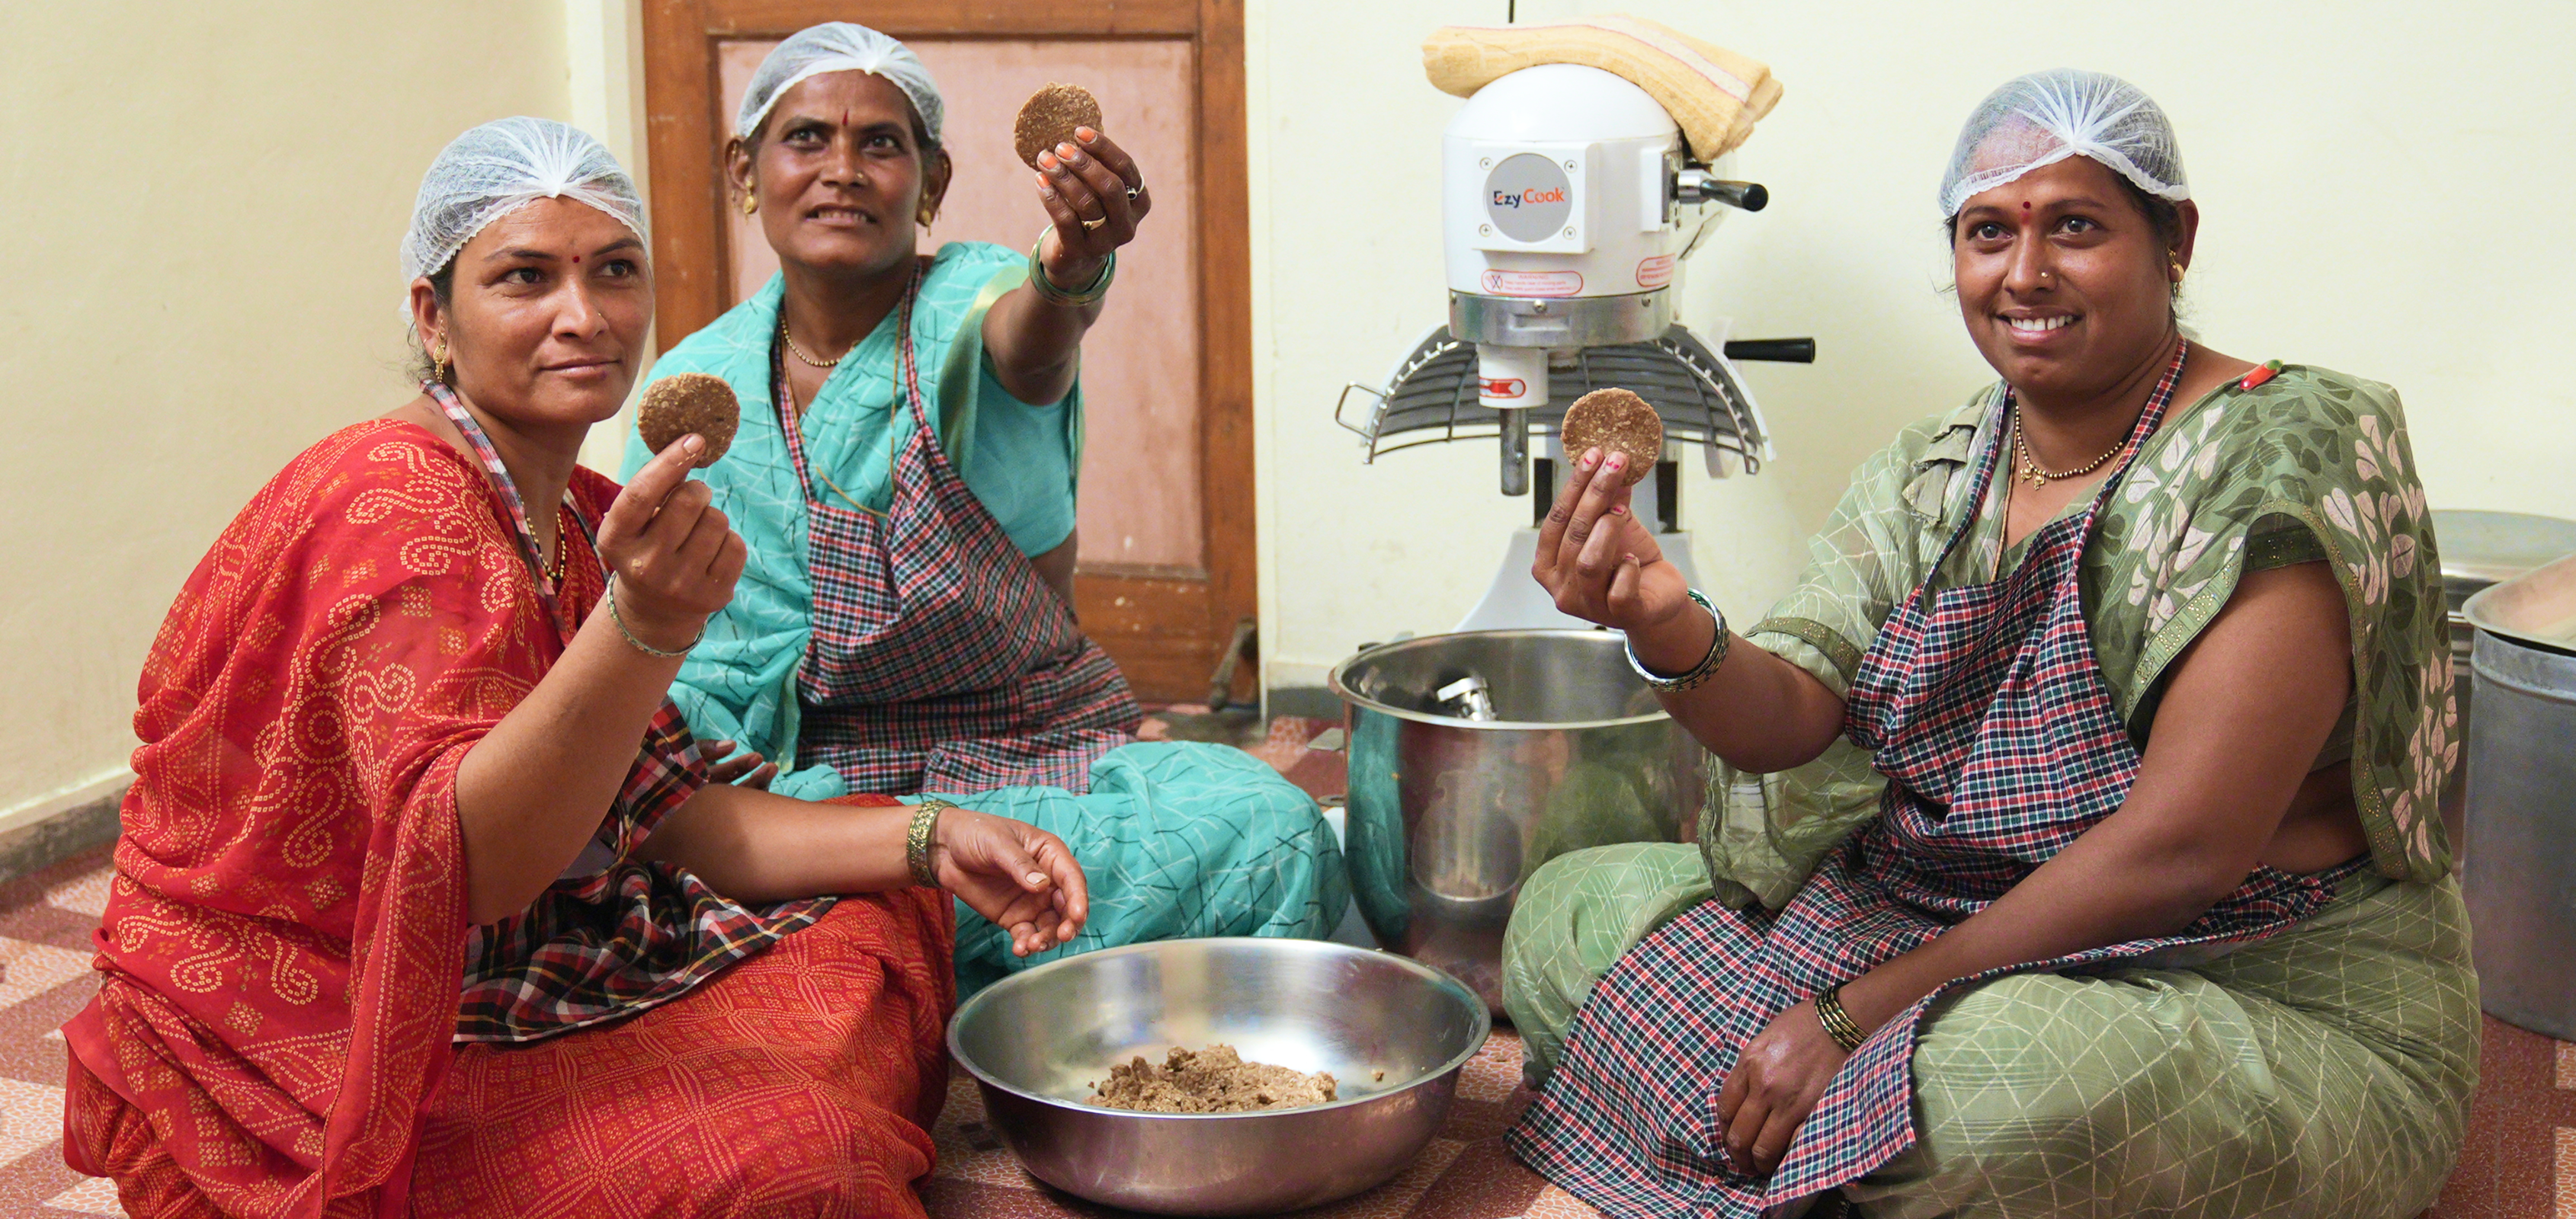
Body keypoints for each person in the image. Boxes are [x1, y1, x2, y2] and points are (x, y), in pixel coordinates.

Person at [61, 118, 1091, 1218]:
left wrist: (937, 837)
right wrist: (644, 627)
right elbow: (475, 872)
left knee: (875, 911)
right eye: (525, 277)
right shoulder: (399, 510)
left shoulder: (574, 513)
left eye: (614, 271)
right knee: (802, 1168)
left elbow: (669, 811)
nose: (584, 316)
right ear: (433, 316)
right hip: (313, 1022)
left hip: (518, 939)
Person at [1501, 70, 2475, 1218]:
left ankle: (1832, 1140)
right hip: (1947, 926)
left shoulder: (2276, 453)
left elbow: (2185, 851)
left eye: (2076, 227)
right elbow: (1791, 714)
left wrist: (1852, 1016)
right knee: (1568, 913)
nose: (2025, 274)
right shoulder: (1940, 466)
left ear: (2174, 241)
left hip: (2242, 981)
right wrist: (1661, 621)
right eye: (1988, 233)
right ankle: (1844, 1158)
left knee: (2000, 1095)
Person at [623, 23, 1344, 993]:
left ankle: (896, 963)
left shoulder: (969, 303)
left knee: (1269, 832)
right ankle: (948, 956)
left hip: (1022, 755)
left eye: (882, 143)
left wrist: (1070, 270)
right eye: (806, 139)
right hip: (813, 789)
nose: (842, 170)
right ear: (744, 170)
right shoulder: (695, 383)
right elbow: (673, 662)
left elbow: (1030, 340)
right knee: (681, 855)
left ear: (933, 181)